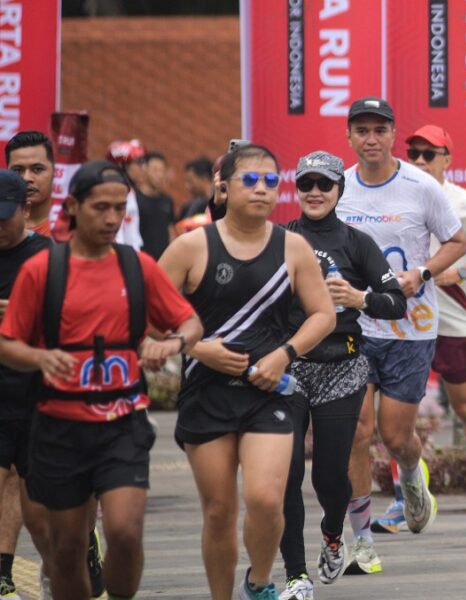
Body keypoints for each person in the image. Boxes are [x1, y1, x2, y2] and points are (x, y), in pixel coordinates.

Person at [0, 160, 203, 599]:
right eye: (101, 208)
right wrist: (40, 357)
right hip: (60, 428)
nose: (112, 219)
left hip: (122, 424)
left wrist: (172, 343)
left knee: (125, 533)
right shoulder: (44, 270)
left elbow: (189, 323)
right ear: (73, 206)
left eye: (119, 209)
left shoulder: (137, 266)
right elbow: (7, 343)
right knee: (66, 550)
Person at [158, 143, 336, 600]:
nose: (261, 189)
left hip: (268, 392)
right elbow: (148, 314)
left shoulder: (292, 247)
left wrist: (284, 355)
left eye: (271, 181)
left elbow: (323, 315)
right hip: (207, 392)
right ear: (223, 187)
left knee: (265, 500)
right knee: (219, 512)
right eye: (250, 180)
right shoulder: (191, 246)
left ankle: (258, 581)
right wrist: (199, 349)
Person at [336, 97, 466, 572]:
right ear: (349, 136)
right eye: (362, 130)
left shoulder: (421, 186)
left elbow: (459, 241)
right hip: (355, 325)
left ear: (393, 135)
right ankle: (362, 541)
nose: (371, 139)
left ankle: (412, 475)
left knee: (395, 436)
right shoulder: (338, 187)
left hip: (409, 327)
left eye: (380, 130)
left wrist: (423, 273)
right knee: (356, 432)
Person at [276, 151, 406, 600]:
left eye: (324, 184)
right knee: (286, 474)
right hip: (290, 367)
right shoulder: (280, 239)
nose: (314, 192)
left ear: (339, 190)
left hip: (342, 368)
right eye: (306, 183)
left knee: (329, 478)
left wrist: (358, 298)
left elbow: (397, 303)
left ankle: (334, 533)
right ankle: (296, 575)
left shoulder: (356, 243)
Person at [373, 124, 466, 536]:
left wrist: (458, 273)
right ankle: (405, 496)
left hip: (450, 318)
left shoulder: (461, 201)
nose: (419, 161)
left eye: (429, 154)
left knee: (465, 406)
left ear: (447, 159)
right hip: (404, 318)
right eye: (413, 153)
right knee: (397, 416)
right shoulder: (393, 196)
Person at [0, 169, 52, 600]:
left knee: (37, 505)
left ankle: (65, 564)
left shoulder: (48, 257)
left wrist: (23, 311)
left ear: (26, 209)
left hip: (36, 392)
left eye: (5, 216)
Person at [5, 131, 56, 237]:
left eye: (37, 169)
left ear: (55, 171)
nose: (26, 178)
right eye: (17, 170)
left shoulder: (68, 229)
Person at [134, 151, 175, 260]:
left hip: (163, 261)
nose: (159, 175)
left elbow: (170, 230)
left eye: (162, 171)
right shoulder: (134, 199)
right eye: (155, 170)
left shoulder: (167, 201)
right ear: (145, 170)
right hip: (141, 259)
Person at [105, 140, 145, 251]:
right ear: (122, 165)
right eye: (139, 163)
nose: (143, 168)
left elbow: (132, 237)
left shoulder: (130, 193)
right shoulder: (110, 194)